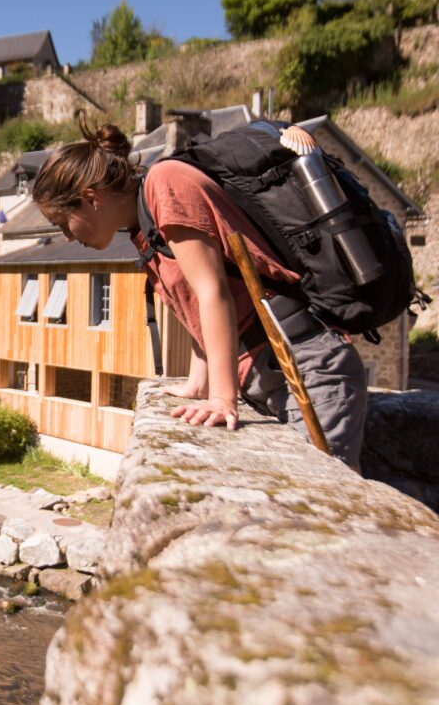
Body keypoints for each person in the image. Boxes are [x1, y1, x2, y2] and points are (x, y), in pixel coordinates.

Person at [29, 119, 369, 470]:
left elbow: (213, 291)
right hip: (270, 374)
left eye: (62, 223)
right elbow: (196, 303)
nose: (67, 237)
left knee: (315, 502)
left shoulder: (165, 185)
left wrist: (222, 398)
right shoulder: (142, 223)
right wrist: (198, 382)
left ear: (90, 198)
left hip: (305, 370)